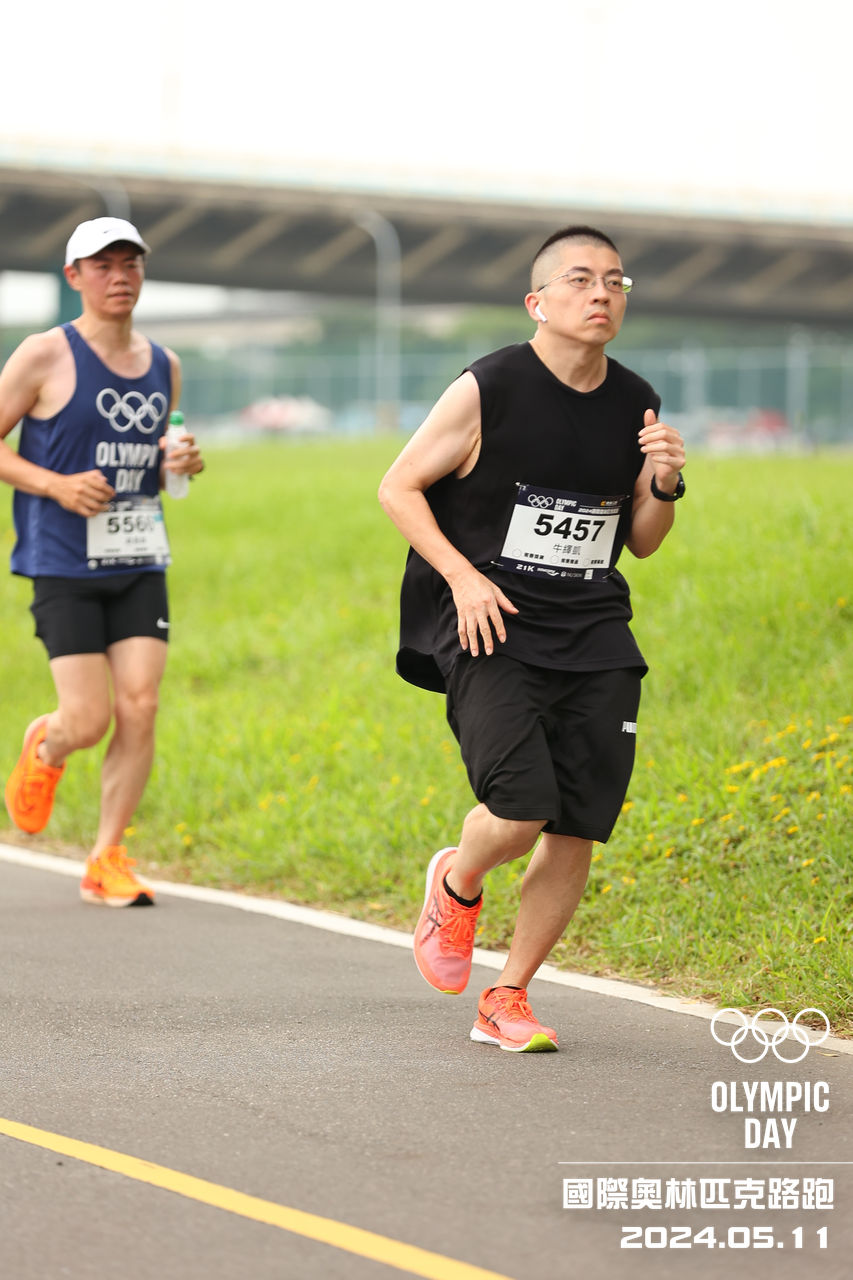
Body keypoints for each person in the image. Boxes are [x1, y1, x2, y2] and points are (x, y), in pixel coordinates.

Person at [379, 225, 686, 1052]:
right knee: (519, 811)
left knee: (576, 824)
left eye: (614, 281)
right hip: (492, 624)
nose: (601, 294)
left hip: (594, 632)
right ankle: (457, 880)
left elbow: (642, 540)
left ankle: (507, 996)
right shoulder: (489, 387)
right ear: (537, 302)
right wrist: (462, 577)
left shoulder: (635, 400)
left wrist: (664, 482)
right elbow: (398, 487)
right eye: (580, 280)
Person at [1, 216, 204, 906]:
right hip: (62, 561)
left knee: (141, 705)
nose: (120, 277)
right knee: (87, 720)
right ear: (74, 277)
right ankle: (48, 745)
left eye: (130, 264)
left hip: (138, 556)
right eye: (103, 265)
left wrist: (181, 462)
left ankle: (106, 857)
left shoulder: (164, 364)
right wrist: (54, 485)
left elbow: (157, 464)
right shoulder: (44, 354)